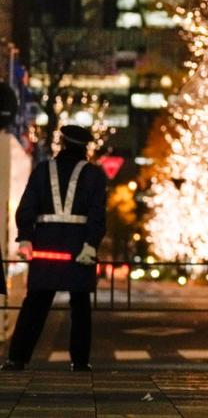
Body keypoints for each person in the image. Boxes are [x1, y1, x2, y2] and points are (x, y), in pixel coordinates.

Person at [1, 126, 107, 372]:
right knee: (80, 306)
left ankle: (17, 358)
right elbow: (97, 215)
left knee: (35, 304)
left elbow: (27, 207)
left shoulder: (42, 171)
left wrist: (26, 238)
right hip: (79, 248)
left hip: (46, 247)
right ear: (86, 148)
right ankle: (79, 362)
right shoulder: (94, 175)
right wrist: (91, 244)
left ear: (62, 144)